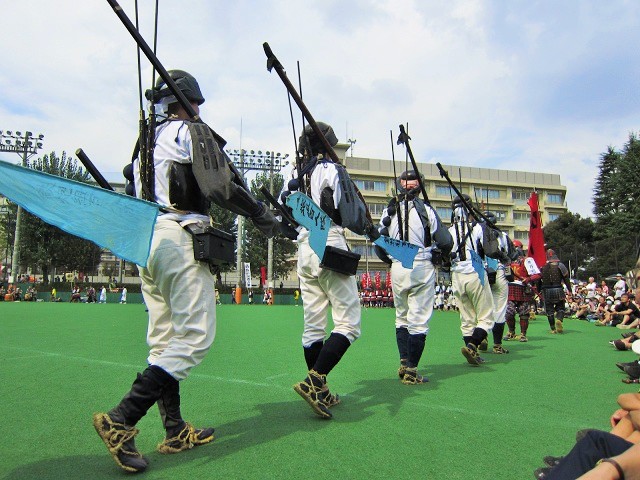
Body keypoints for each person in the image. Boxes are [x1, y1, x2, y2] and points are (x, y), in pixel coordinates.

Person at [93, 70, 280, 473]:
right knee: (195, 336)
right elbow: (218, 186)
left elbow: (133, 194)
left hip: (147, 243)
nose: (198, 109)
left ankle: (175, 429)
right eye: (196, 103)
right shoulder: (188, 130)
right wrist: (259, 213)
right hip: (179, 238)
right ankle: (121, 418)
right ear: (187, 102)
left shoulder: (144, 146)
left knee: (164, 340)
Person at [285, 122, 373, 419]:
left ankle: (321, 392)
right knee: (348, 324)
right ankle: (314, 381)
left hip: (303, 249)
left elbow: (287, 215)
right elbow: (352, 217)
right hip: (329, 242)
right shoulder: (333, 170)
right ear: (327, 145)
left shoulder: (294, 175)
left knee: (313, 325)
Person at [376, 169, 452, 384]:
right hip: (421, 265)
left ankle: (403, 362)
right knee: (418, 321)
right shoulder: (426, 209)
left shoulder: (388, 211)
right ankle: (411, 369)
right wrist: (441, 255)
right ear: (420, 188)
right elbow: (446, 241)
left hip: (397, 266)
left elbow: (379, 245)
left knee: (401, 317)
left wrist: (393, 260)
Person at [448, 195, 495, 366]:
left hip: (456, 276)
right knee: (486, 317)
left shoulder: (449, 231)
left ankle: (472, 350)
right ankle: (473, 345)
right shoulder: (478, 228)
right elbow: (491, 250)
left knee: (466, 318)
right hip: (475, 273)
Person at [480, 212, 511, 354]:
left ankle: (482, 337)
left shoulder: (476, 232)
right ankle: (497, 345)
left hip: (481, 273)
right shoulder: (503, 236)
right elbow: (511, 255)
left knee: (482, 308)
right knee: (499, 309)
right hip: (498, 272)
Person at [504, 239, 540, 342]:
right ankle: (511, 332)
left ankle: (523, 334)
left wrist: (528, 279)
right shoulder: (506, 261)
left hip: (524, 289)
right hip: (509, 288)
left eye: (517, 248)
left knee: (524, 313)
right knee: (509, 312)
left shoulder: (527, 260)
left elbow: (537, 274)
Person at [539, 249, 572, 334]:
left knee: (549, 310)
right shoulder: (560, 265)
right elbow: (566, 279)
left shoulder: (542, 266)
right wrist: (570, 290)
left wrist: (538, 290)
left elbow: (538, 279)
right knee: (560, 308)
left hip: (546, 291)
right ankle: (559, 320)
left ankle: (553, 329)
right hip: (558, 289)